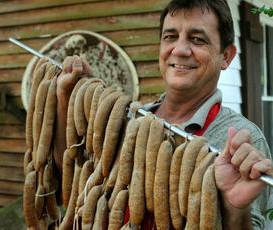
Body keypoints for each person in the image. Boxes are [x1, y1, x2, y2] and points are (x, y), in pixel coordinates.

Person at [53, 0, 273, 229]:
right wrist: (65, 97)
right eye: (170, 37)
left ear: (226, 56)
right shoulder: (128, 120)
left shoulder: (241, 141)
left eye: (197, 39)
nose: (179, 50)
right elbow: (71, 172)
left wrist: (236, 211)